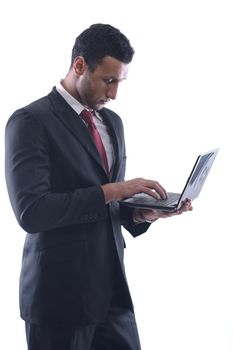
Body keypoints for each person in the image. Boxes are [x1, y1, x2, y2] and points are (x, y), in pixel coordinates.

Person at [5, 23, 192, 350]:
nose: (114, 94)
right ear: (79, 66)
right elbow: (32, 213)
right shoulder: (30, 121)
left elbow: (104, 210)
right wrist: (117, 190)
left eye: (119, 82)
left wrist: (144, 214)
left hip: (112, 295)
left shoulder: (112, 123)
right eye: (108, 81)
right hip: (57, 301)